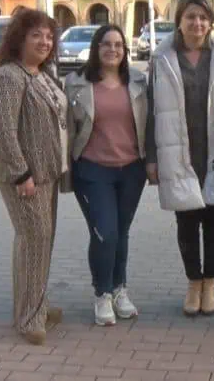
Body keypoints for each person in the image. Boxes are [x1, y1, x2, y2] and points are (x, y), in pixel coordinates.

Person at [0, 8, 67, 345]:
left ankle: (37, 304)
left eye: (49, 36)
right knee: (33, 241)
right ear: (19, 38)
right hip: (24, 176)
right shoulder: (9, 77)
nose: (44, 41)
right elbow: (4, 131)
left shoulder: (42, 75)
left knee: (40, 243)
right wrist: (22, 174)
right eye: (36, 35)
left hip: (47, 174)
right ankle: (29, 318)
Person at [145, 0, 214, 317]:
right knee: (187, 220)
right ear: (179, 20)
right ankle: (194, 282)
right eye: (191, 17)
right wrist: (151, 157)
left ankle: (212, 283)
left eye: (203, 18)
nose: (197, 23)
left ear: (211, 22)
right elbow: (151, 110)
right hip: (177, 147)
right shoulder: (162, 57)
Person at [64, 25, 148, 326]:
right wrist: (66, 170)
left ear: (125, 50)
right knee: (105, 232)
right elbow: (67, 130)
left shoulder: (138, 80)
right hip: (91, 169)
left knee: (120, 233)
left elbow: (149, 124)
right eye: (106, 44)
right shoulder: (75, 83)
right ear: (96, 48)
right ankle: (102, 293)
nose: (113, 49)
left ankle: (119, 290)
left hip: (131, 170)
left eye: (118, 44)